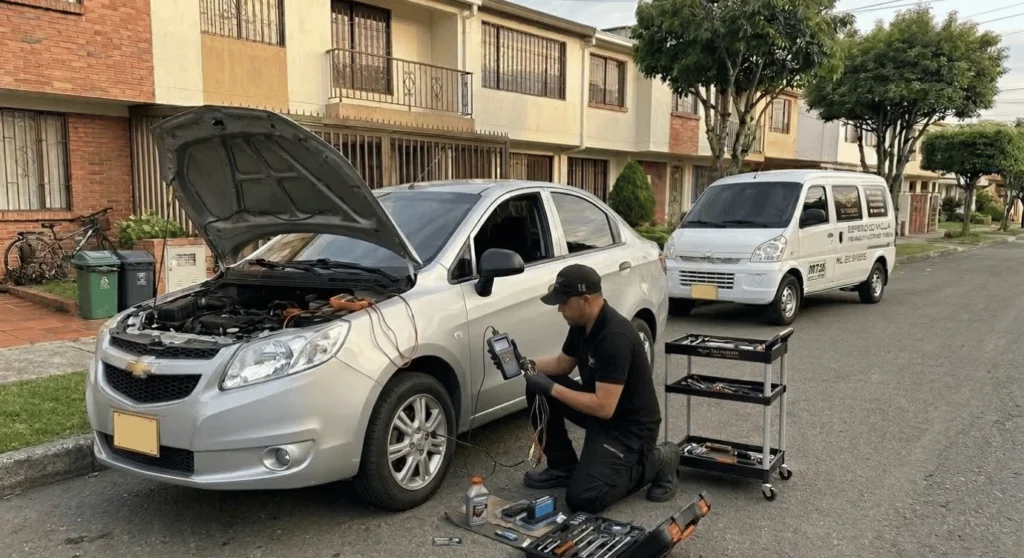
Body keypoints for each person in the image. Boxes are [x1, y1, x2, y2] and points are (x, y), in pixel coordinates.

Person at [491, 263, 680, 514]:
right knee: (536, 387)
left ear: (586, 300)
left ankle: (659, 460)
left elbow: (604, 407)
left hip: (629, 431)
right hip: (603, 415)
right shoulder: (581, 325)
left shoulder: (615, 337)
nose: (559, 309)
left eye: (563, 302)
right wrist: (524, 363)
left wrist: (551, 388)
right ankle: (563, 467)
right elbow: (562, 364)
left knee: (584, 498)